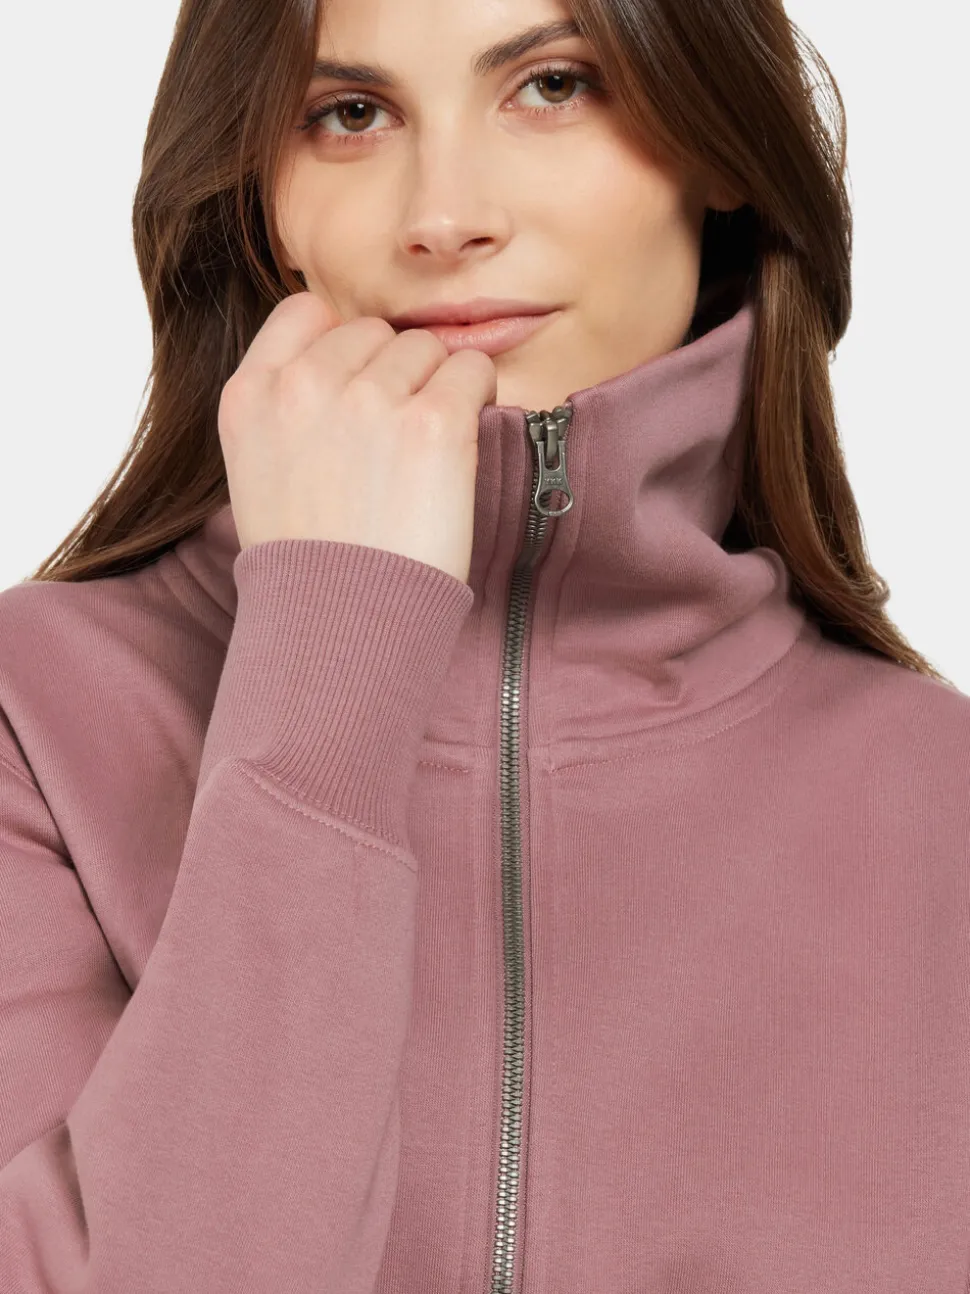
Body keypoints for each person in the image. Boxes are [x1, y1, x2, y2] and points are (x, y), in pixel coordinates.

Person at [1, 0, 967, 1288]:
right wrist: (334, 649)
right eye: (350, 114)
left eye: (554, 86)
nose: (444, 215)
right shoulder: (33, 725)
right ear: (260, 202)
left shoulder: (941, 796)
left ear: (719, 145)